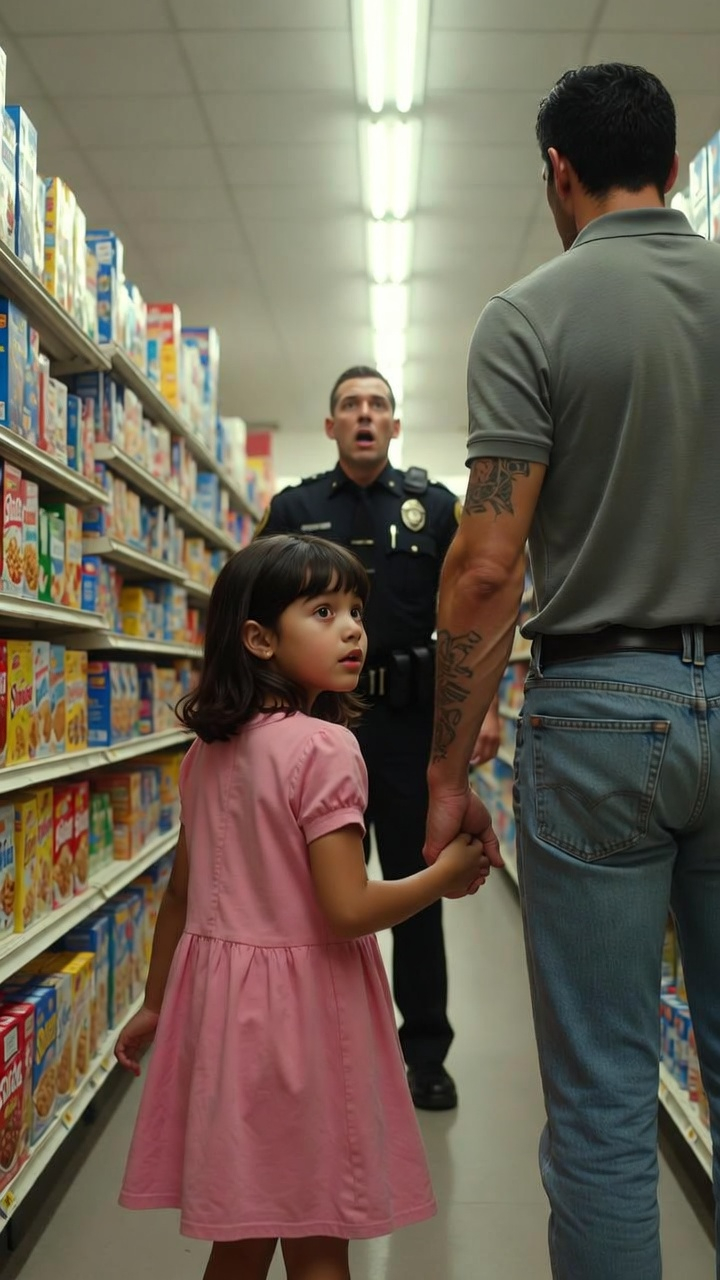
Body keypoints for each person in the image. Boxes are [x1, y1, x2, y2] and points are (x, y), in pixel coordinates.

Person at [425, 63, 720, 1280]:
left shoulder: (532, 314)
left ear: (558, 170)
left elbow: (488, 568)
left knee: (604, 1103)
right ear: (675, 162)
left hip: (602, 709)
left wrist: (449, 770)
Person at [115, 534, 489, 1280]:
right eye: (323, 610)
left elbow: (184, 895)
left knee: (241, 1230)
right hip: (306, 1018)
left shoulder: (206, 752)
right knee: (321, 1233)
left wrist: (158, 1002)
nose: (353, 628)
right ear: (258, 638)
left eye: (356, 609)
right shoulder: (324, 748)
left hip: (222, 1012)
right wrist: (443, 877)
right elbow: (346, 908)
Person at [256, 367, 501, 1112]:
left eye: (378, 406)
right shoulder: (293, 507)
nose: (365, 415)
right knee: (312, 892)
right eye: (350, 406)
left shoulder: (433, 506)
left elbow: (472, 613)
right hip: (312, 726)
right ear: (330, 426)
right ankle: (313, 1044)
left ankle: (425, 1052)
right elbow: (257, 608)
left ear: (395, 425)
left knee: (412, 884)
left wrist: (483, 707)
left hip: (405, 728)